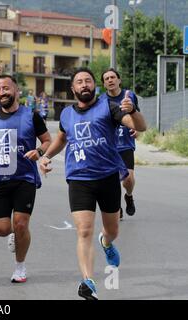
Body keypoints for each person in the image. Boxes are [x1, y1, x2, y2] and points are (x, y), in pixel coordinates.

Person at [39, 67, 146, 300]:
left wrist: (134, 111)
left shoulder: (108, 107)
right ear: (73, 88)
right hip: (79, 179)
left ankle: (106, 243)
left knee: (112, 231)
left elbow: (139, 126)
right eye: (79, 82)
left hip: (108, 177)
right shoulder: (67, 114)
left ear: (94, 86)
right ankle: (88, 282)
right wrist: (46, 157)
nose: (84, 84)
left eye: (88, 80)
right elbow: (61, 139)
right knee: (84, 231)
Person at [0, 75, 51, 283]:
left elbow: (47, 141)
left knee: (20, 224)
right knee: (1, 229)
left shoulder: (31, 115)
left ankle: (20, 266)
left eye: (6, 89)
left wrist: (38, 152)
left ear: (16, 91)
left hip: (24, 177)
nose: (2, 93)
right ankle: (14, 234)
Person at [101, 68, 139, 220]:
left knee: (128, 179)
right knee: (112, 180)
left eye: (112, 77)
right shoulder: (101, 101)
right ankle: (116, 206)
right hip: (109, 146)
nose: (110, 80)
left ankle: (128, 196)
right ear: (104, 84)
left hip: (125, 144)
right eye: (106, 79)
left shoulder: (129, 96)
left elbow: (137, 117)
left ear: (119, 80)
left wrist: (137, 130)